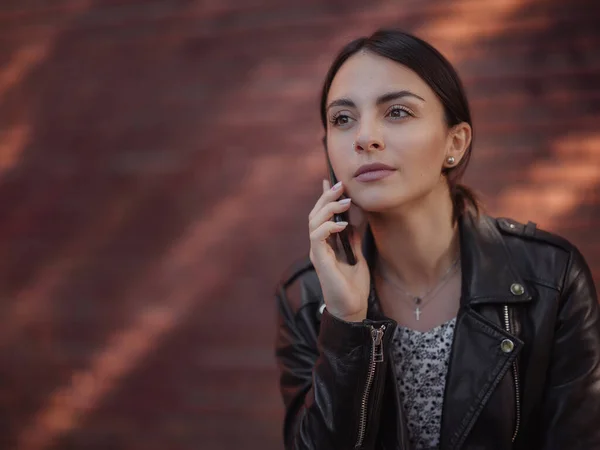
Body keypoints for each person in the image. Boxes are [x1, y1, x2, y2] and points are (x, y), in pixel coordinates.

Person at [274, 28, 600, 450]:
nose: (364, 137)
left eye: (397, 112)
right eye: (343, 118)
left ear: (455, 142)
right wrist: (346, 322)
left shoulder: (551, 278)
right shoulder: (306, 295)